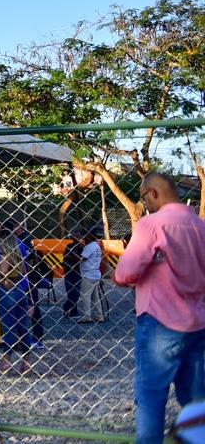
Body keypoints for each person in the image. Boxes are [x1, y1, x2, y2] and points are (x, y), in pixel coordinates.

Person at [113, 172, 205, 444]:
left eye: (144, 199)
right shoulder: (200, 227)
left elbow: (125, 273)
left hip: (160, 322)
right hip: (198, 322)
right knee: (195, 400)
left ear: (153, 193)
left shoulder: (151, 224)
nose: (145, 205)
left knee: (152, 398)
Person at [0, 224, 33, 375]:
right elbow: (25, 272)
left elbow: (2, 272)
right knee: (23, 327)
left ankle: (6, 360)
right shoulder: (19, 254)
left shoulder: (4, 254)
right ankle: (27, 361)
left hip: (7, 291)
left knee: (9, 327)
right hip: (20, 290)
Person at [78, 229, 107, 323]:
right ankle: (100, 316)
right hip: (95, 274)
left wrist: (73, 254)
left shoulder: (89, 247)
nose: (84, 237)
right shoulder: (97, 246)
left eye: (86, 236)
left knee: (85, 296)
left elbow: (83, 258)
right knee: (95, 297)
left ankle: (87, 316)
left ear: (90, 236)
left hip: (88, 275)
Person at [62, 227, 85, 317]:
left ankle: (66, 307)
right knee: (70, 292)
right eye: (75, 235)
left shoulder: (82, 248)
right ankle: (73, 311)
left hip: (77, 272)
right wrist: (73, 257)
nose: (76, 237)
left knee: (76, 292)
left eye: (78, 236)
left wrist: (72, 256)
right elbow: (65, 258)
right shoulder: (69, 246)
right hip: (68, 272)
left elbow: (81, 259)